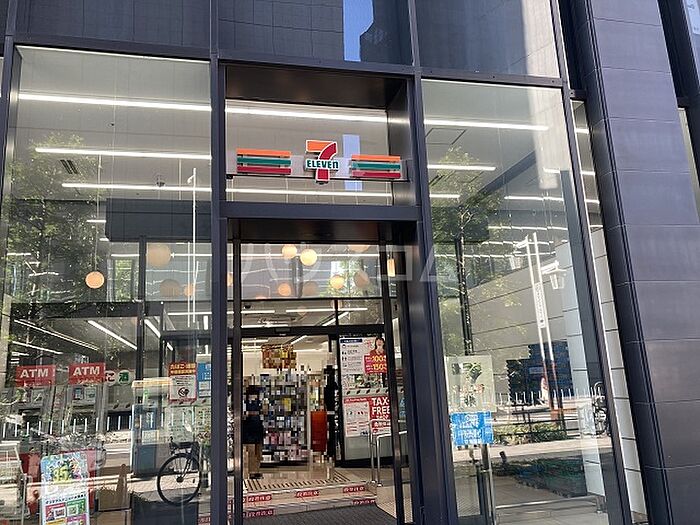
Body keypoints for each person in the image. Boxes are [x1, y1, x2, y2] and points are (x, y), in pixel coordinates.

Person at [242, 385, 265, 480]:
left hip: (257, 428)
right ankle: (252, 472)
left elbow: (263, 411)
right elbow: (243, 415)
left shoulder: (260, 402)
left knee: (258, 451)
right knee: (251, 451)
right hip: (249, 428)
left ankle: (257, 470)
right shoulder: (244, 402)